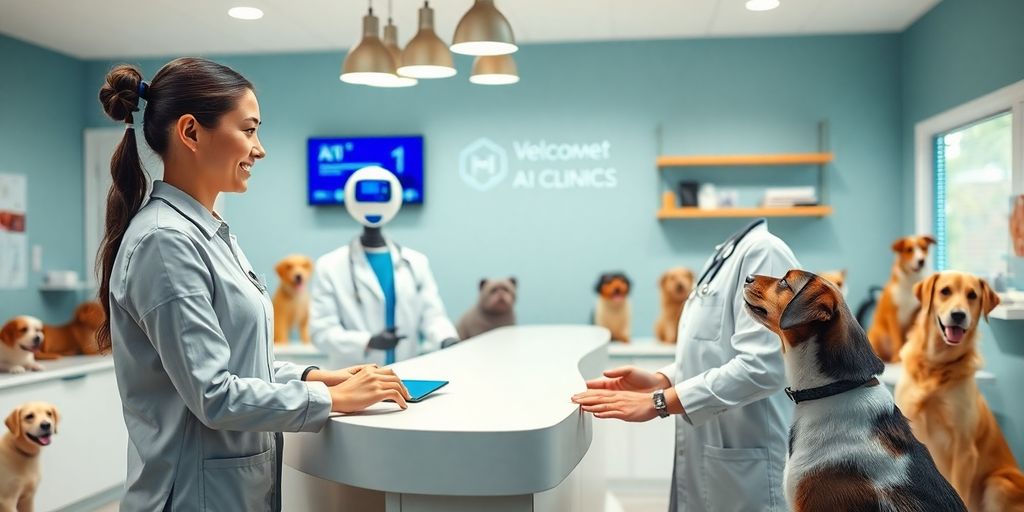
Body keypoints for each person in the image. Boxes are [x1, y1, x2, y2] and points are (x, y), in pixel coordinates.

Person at [96, 58, 410, 511]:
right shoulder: (165, 242)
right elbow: (214, 394)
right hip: (192, 497)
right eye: (248, 130)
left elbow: (238, 363)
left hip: (228, 489)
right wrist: (332, 398)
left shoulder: (209, 233)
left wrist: (317, 377)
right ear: (191, 132)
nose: (259, 150)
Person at [572, 218, 798, 512]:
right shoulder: (724, 257)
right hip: (712, 457)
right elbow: (714, 352)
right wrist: (663, 379)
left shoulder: (764, 253)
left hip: (748, 460)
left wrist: (659, 402)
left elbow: (764, 366)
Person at [310, 166, 458, 369]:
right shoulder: (330, 266)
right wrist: (368, 341)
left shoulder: (416, 263)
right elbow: (321, 332)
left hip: (406, 374)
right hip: (353, 378)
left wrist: (447, 338)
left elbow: (433, 316)